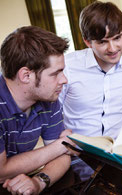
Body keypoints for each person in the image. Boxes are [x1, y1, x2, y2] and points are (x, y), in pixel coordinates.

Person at [58, 1, 122, 184]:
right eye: (103, 42)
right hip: (78, 160)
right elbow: (53, 115)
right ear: (88, 42)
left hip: (120, 159)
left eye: (117, 38)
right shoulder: (68, 66)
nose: (112, 48)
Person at [0, 26, 75, 194]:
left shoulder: (48, 98)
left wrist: (39, 182)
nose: (64, 80)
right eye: (56, 73)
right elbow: (1, 171)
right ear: (26, 76)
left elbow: (63, 157)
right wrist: (61, 146)